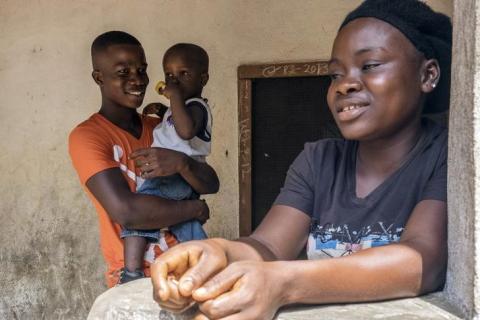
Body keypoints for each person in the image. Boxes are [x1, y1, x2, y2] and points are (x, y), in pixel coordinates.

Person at [150, 0, 451, 319]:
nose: (344, 85)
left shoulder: (445, 157)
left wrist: (283, 283)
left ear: (427, 75)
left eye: (370, 65)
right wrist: (218, 252)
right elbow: (267, 247)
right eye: (335, 74)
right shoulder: (318, 161)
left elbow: (422, 260)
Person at [68, 31, 219, 287]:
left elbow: (211, 183)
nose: (137, 80)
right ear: (99, 78)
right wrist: (195, 209)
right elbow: (127, 212)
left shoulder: (161, 128)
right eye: (123, 72)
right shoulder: (88, 136)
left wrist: (183, 163)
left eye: (142, 70)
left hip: (185, 272)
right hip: (135, 280)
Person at [120, 43, 213, 283]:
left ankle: (130, 273)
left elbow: (184, 131)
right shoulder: (183, 106)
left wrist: (174, 98)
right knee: (184, 222)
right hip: (178, 178)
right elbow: (174, 127)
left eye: (184, 74)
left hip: (172, 175)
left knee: (139, 212)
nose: (174, 81)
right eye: (169, 75)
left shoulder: (197, 106)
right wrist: (163, 110)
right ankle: (205, 265)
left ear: (203, 78)